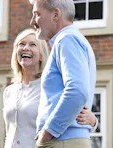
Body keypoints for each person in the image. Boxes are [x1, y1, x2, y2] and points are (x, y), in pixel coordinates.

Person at [3, 29, 97, 148]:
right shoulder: (9, 91)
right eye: (21, 44)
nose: (25, 48)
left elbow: (72, 108)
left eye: (33, 44)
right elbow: (9, 132)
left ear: (42, 54)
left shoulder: (50, 87)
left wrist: (93, 121)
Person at [29, 0, 96, 147]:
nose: (32, 21)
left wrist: (48, 131)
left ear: (56, 15)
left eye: (37, 14)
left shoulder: (67, 39)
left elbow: (77, 90)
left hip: (62, 140)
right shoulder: (70, 40)